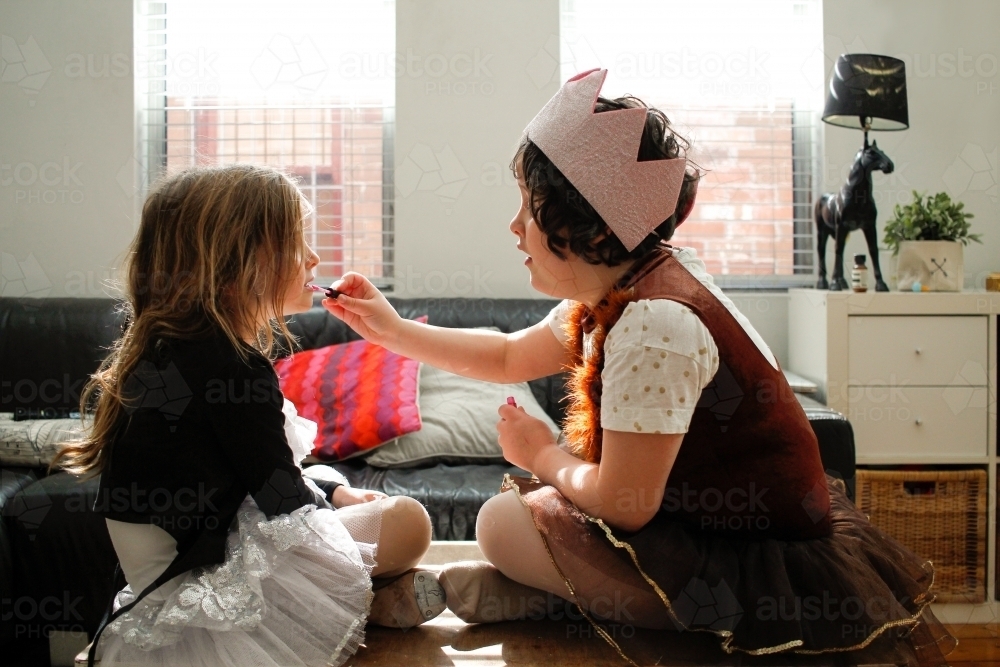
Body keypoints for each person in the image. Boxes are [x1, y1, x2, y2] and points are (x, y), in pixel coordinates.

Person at [323, 70, 955, 666]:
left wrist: (540, 453)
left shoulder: (656, 324)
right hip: (697, 524)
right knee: (517, 523)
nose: (514, 227)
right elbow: (512, 355)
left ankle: (548, 598)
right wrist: (393, 328)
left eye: (529, 206)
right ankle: (545, 595)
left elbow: (623, 506)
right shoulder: (620, 286)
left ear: (589, 229)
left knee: (503, 524)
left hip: (755, 567)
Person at [54, 165, 445, 667]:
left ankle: (383, 601)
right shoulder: (234, 369)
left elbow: (244, 479)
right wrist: (334, 510)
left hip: (164, 583)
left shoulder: (165, 352)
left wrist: (332, 490)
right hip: (208, 594)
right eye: (296, 243)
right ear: (237, 266)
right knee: (407, 522)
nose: (314, 258)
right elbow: (282, 502)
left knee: (337, 494)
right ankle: (378, 597)